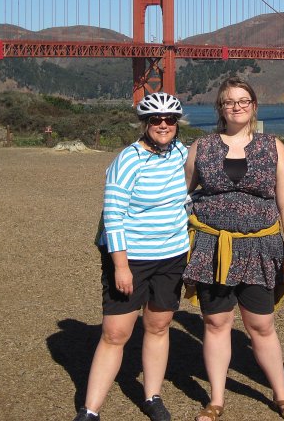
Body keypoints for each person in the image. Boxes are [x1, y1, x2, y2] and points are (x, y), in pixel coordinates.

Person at [183, 77, 284, 421]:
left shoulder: (273, 147)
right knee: (216, 323)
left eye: (243, 101)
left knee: (261, 325)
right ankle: (216, 400)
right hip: (212, 249)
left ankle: (282, 397)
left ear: (253, 106)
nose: (236, 107)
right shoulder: (201, 147)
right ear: (220, 108)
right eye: (229, 101)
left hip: (261, 248)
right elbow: (181, 195)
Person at [74, 92, 190, 421]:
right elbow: (113, 216)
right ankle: (90, 410)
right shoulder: (128, 160)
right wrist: (121, 266)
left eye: (170, 119)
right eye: (156, 119)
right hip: (132, 260)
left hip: (172, 256)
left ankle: (152, 397)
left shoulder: (181, 153)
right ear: (144, 123)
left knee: (159, 326)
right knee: (115, 333)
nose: (164, 125)